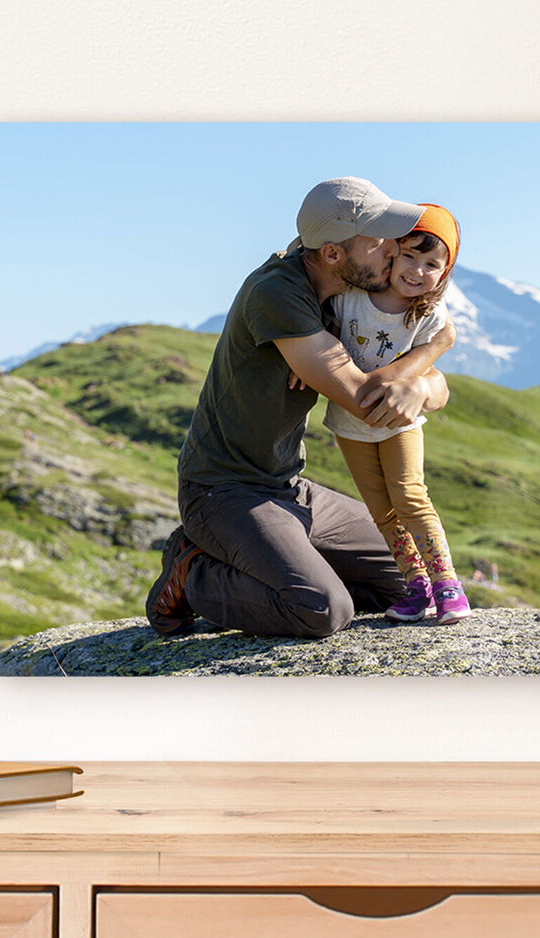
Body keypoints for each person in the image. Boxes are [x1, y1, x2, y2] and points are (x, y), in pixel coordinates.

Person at [145, 177, 455, 639]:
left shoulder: (337, 287)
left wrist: (425, 384)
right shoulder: (279, 294)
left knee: (404, 582)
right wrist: (434, 359)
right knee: (323, 610)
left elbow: (398, 380)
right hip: (224, 491)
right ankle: (193, 572)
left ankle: (277, 558)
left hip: (287, 486)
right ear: (333, 253)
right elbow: (367, 401)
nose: (394, 250)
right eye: (379, 242)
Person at [316, 204, 471, 625]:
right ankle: (416, 587)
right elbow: (323, 334)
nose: (417, 271)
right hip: (349, 426)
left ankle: (448, 584)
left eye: (432, 264)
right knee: (382, 511)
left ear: (445, 272)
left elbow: (422, 373)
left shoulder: (429, 317)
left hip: (401, 425)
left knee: (410, 497)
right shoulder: (351, 298)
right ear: (392, 252)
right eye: (410, 256)